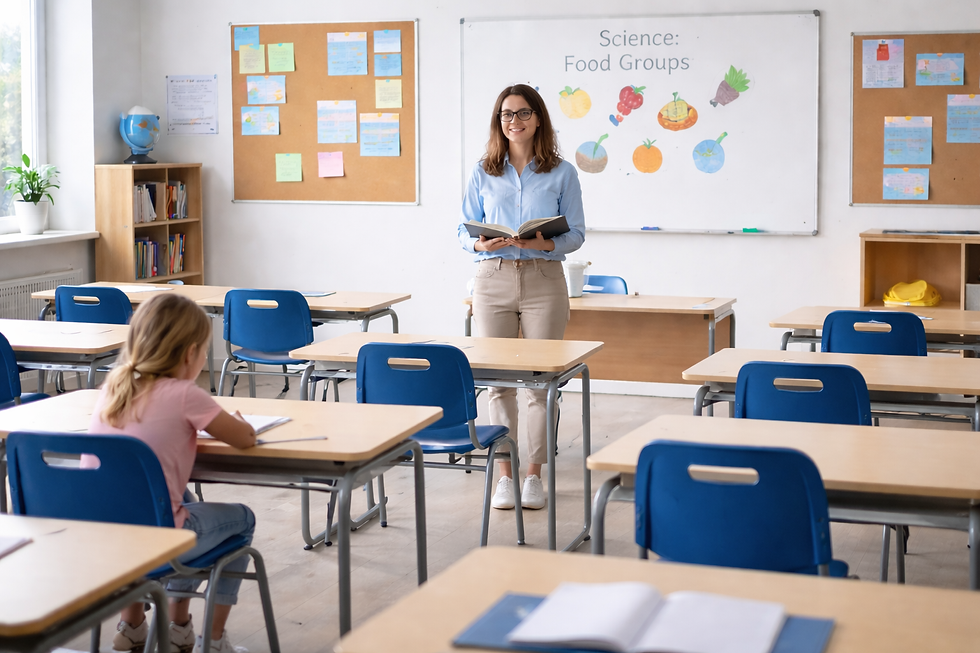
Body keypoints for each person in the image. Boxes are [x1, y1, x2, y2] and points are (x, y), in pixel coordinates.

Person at [87, 292, 258, 653]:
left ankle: (132, 627)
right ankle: (209, 642)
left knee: (177, 499)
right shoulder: (185, 395)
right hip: (160, 544)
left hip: (104, 538)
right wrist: (242, 423)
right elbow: (243, 439)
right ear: (190, 353)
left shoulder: (111, 388)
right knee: (242, 521)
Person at [458, 83, 586, 511]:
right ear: (499, 121)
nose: (515, 121)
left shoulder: (562, 172)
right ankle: (505, 476)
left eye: (523, 113)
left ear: (539, 119)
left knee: (539, 385)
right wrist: (480, 244)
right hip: (492, 278)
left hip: (543, 279)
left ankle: (534, 476)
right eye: (506, 114)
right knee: (498, 385)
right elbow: (464, 229)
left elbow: (576, 235)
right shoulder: (483, 170)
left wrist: (543, 244)